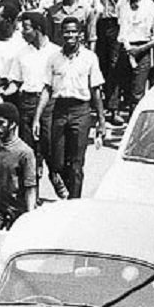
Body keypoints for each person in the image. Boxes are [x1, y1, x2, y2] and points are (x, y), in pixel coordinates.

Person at [37, 16, 107, 198]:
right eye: (66, 32)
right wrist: (37, 118)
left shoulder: (90, 58)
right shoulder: (54, 59)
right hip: (59, 110)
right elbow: (46, 88)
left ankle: (74, 202)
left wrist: (101, 121)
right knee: (57, 161)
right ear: (61, 34)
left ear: (80, 35)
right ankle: (67, 189)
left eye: (73, 32)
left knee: (76, 164)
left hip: (81, 111)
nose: (69, 35)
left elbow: (96, 90)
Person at [0, 102, 37, 228]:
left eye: (1, 123)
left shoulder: (25, 152)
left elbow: (30, 188)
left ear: (13, 124)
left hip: (17, 211)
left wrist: (30, 217)